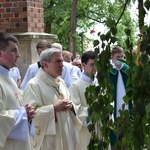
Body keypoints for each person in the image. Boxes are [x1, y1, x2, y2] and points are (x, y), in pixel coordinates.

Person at [23, 48, 81, 150]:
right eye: (58, 61)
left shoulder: (61, 83)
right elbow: (31, 117)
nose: (62, 64)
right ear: (45, 64)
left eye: (62, 61)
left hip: (66, 136)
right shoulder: (33, 85)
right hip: (49, 142)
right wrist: (53, 108)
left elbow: (72, 105)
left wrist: (72, 107)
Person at [0, 33, 35, 150]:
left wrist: (26, 113)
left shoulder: (8, 77)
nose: (19, 55)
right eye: (13, 50)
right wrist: (23, 113)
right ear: (0, 53)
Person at [69, 50, 97, 150]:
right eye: (92, 64)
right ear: (83, 65)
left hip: (100, 129)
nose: (95, 68)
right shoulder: (75, 86)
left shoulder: (100, 83)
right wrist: (95, 111)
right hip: (85, 131)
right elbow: (76, 109)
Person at [109, 46, 132, 149]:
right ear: (112, 57)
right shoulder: (109, 71)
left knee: (125, 140)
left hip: (126, 110)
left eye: (122, 56)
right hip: (113, 111)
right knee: (114, 138)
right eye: (118, 57)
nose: (120, 59)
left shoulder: (127, 69)